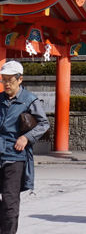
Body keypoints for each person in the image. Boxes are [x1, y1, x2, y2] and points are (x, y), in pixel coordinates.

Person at [0, 60, 49, 234]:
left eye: (9, 80)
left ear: (20, 79)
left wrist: (26, 137)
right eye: (3, 79)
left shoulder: (29, 100)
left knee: (10, 200)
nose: (6, 84)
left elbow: (44, 124)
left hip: (15, 156)